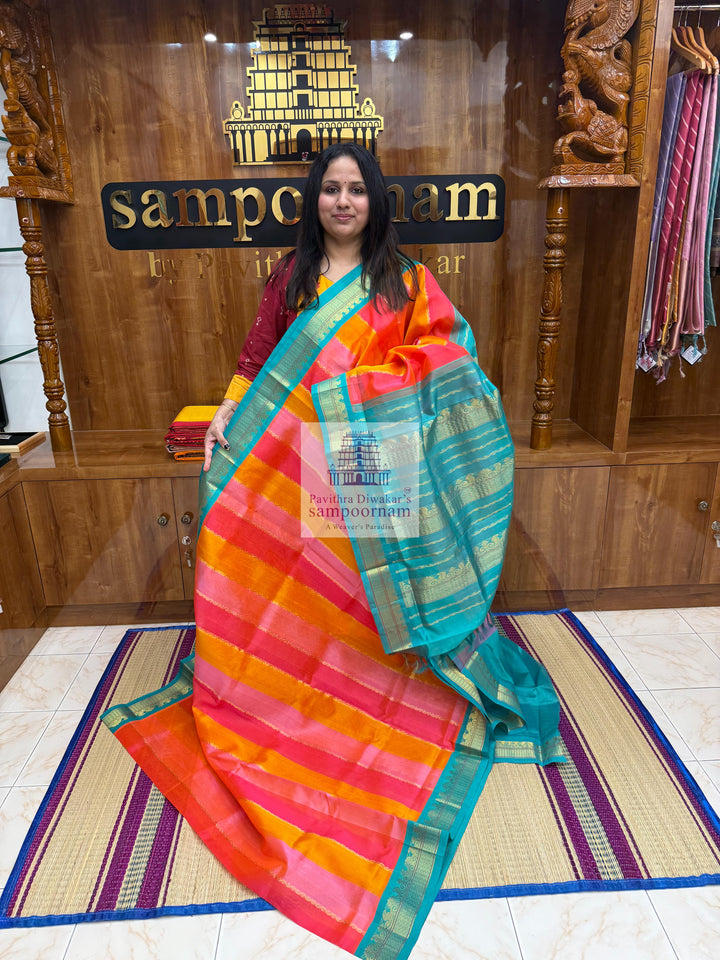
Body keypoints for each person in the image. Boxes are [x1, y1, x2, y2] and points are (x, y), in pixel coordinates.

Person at [104, 143, 564, 960]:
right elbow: (256, 360)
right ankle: (289, 684)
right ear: (314, 201)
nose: (343, 201)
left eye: (356, 189)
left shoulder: (406, 280)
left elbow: (451, 353)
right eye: (331, 190)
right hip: (294, 460)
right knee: (301, 587)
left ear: (375, 200)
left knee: (360, 587)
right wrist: (226, 416)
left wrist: (373, 388)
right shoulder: (291, 277)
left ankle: (370, 687)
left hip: (370, 454)